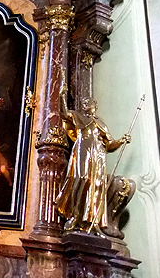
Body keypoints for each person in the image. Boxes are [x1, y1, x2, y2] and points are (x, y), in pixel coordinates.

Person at [55, 98, 130, 234]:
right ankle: (75, 215)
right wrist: (61, 95)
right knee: (80, 179)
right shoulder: (78, 117)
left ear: (95, 105)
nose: (85, 104)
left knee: (97, 185)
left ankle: (93, 222)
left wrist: (121, 141)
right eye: (83, 103)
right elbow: (64, 113)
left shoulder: (100, 123)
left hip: (98, 156)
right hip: (83, 151)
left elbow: (110, 144)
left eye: (88, 102)